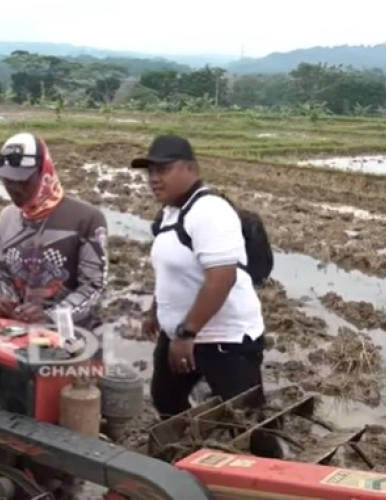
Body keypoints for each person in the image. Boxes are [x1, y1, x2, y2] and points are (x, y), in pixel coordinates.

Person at [133, 135, 281, 458]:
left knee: (249, 423)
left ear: (191, 168)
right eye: (150, 171)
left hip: (225, 339)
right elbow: (172, 273)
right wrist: (155, 311)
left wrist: (187, 332)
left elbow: (222, 278)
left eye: (164, 169)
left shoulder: (209, 210)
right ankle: (195, 458)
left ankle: (278, 476)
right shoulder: (169, 214)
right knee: (166, 398)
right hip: (182, 335)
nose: (154, 178)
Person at [0, 133, 108, 330]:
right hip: (20, 330)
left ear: (44, 173)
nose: (13, 188)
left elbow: (94, 288)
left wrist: (51, 317)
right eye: (7, 180)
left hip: (72, 336)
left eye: (22, 181)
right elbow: (2, 274)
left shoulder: (86, 219)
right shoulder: (6, 218)